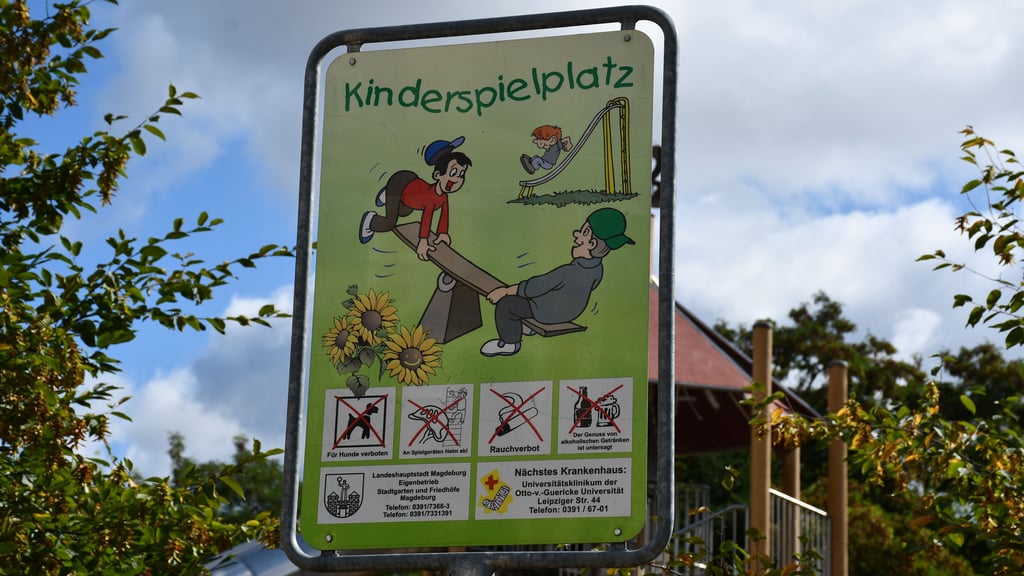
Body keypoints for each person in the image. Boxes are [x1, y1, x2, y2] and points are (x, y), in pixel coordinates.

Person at [480, 207, 634, 357]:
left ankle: (509, 343)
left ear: (592, 244)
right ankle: (526, 326)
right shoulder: (597, 269)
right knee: (526, 299)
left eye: (584, 232)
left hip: (547, 313)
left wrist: (505, 291)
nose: (576, 234)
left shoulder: (568, 272)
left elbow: (536, 287)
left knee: (507, 305)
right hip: (571, 313)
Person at [359, 136, 471, 260]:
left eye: (461, 174)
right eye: (453, 173)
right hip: (399, 184)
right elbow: (426, 218)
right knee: (389, 223)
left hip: (411, 187)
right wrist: (423, 241)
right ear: (437, 175)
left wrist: (442, 233)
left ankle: (387, 195)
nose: (457, 180)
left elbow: (444, 213)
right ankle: (370, 220)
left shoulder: (443, 197)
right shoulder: (431, 197)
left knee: (405, 211)